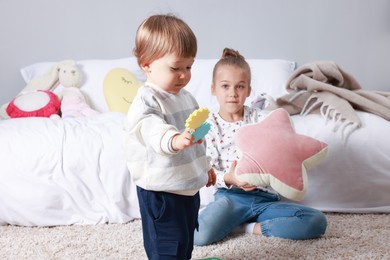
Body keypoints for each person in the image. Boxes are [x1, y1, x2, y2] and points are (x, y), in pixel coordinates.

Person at [194, 48, 328, 246]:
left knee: (316, 221)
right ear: (213, 89)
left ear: (248, 90)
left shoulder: (261, 119)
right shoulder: (208, 126)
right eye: (225, 86)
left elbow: (280, 149)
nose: (232, 93)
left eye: (240, 87)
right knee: (199, 235)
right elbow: (207, 172)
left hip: (265, 200)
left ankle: (246, 227)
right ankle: (230, 220)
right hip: (230, 198)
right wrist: (230, 178)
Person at [123, 14, 216, 259]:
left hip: (187, 187)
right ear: (146, 64)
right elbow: (154, 130)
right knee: (167, 246)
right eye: (176, 68)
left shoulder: (186, 98)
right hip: (162, 192)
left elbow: (198, 140)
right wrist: (175, 140)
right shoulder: (147, 100)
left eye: (189, 67)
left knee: (185, 240)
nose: (184, 75)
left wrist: (204, 167)